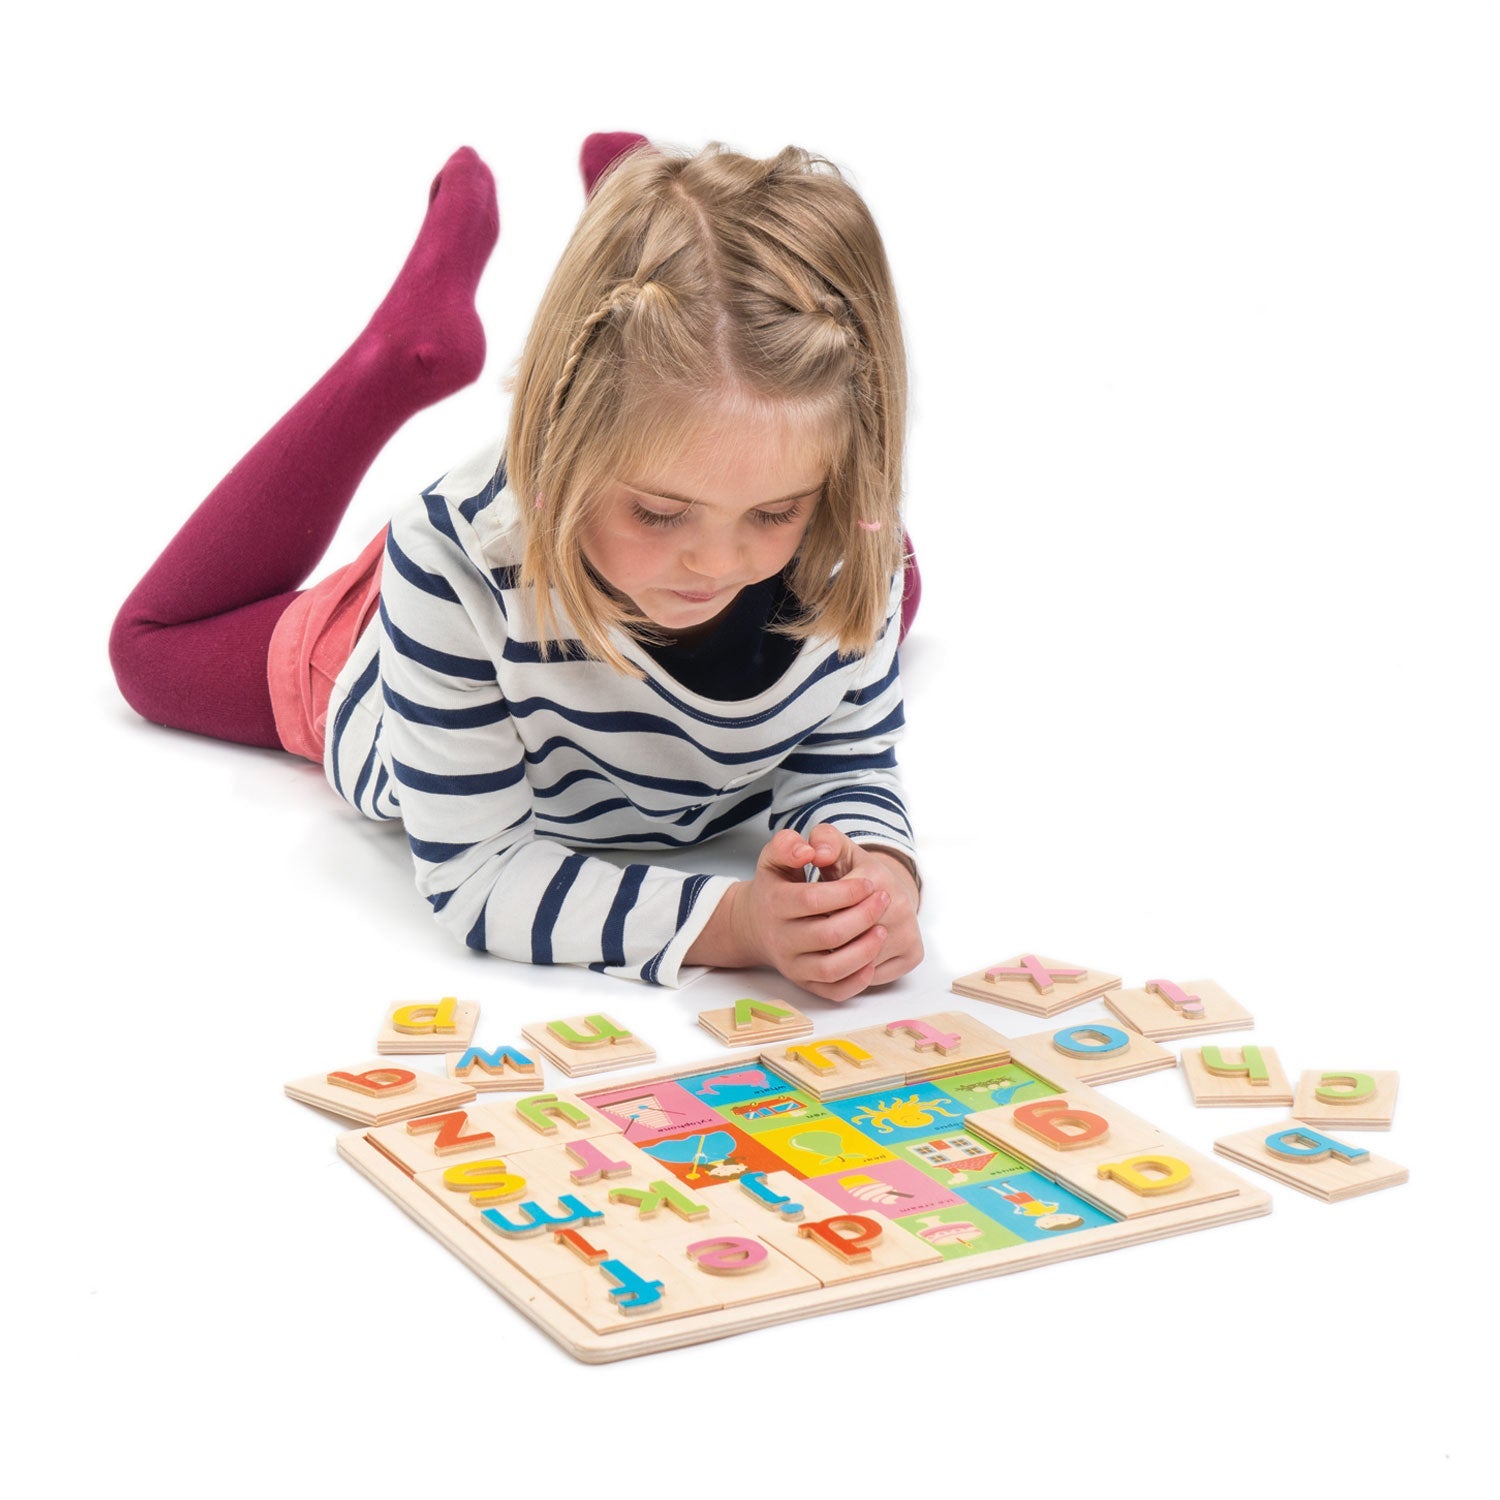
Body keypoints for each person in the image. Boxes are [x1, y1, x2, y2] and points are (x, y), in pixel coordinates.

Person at [110, 136, 923, 1001]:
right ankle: (393, 356)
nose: (718, 562)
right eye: (658, 511)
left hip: (613, 533)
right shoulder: (451, 566)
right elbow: (481, 875)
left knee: (892, 577)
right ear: (562, 435)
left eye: (775, 510)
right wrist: (738, 925)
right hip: (439, 627)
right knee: (149, 652)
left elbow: (848, 763)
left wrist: (877, 883)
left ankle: (650, 248)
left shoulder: (850, 534)